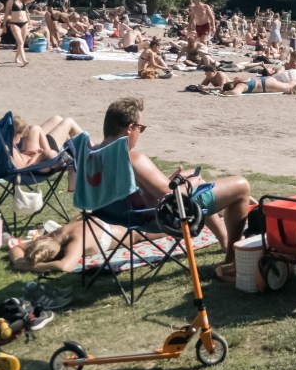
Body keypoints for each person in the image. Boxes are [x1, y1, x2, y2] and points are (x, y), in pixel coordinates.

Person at [92, 97, 252, 276]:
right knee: (240, 186)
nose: (140, 133)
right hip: (162, 218)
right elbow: (170, 196)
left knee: (194, 178)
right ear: (130, 129)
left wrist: (177, 180)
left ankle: (223, 239)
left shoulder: (90, 156)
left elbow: (136, 193)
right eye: (141, 128)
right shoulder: (132, 158)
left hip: (118, 216)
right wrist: (190, 183)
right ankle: (232, 263)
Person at [9, 216, 153, 272]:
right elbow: (17, 247)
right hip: (111, 218)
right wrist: (18, 261)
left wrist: (32, 266)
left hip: (126, 232)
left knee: (155, 232)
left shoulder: (76, 241)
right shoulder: (54, 236)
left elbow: (65, 266)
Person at [11, 114, 82, 168]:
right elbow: (24, 169)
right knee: (69, 122)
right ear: (14, 136)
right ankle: (89, 152)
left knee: (57, 119)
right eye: (21, 136)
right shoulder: (11, 151)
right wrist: (38, 155)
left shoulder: (8, 147)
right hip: (45, 157)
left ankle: (74, 153)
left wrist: (29, 152)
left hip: (30, 153)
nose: (21, 138)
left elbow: (21, 159)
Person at [4, 0, 36, 67]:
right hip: (14, 23)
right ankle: (24, 60)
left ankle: (16, 57)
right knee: (20, 42)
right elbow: (6, 14)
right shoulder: (11, 1)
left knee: (21, 42)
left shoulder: (24, 1)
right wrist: (4, 25)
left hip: (24, 23)